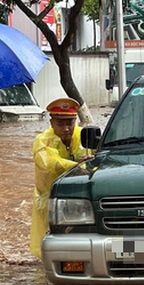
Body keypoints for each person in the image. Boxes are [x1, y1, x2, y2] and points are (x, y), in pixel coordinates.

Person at [31, 98, 95, 259]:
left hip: (79, 198)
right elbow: (51, 164)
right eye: (61, 123)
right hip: (49, 198)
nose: (66, 128)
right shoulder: (42, 141)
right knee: (48, 244)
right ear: (51, 123)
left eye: (70, 122)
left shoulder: (82, 135)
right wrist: (76, 165)